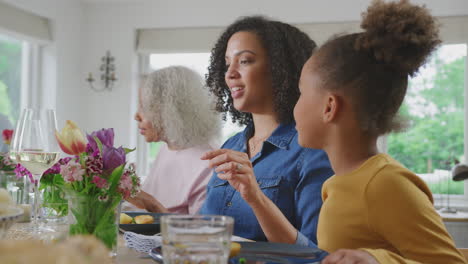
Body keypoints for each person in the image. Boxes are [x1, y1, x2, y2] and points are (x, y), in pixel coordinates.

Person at [294, 0, 467, 263]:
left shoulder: (385, 184)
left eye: (301, 93)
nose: (294, 106)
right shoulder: (336, 183)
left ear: (329, 107)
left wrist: (379, 260)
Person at [199, 16, 334, 247]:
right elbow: (204, 232)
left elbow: (315, 255)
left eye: (245, 61)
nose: (230, 73)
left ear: (280, 69)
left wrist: (257, 198)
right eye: (227, 62)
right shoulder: (230, 146)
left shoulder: (312, 151)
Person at [128, 66, 221, 214]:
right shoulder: (168, 148)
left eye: (144, 107)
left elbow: (201, 230)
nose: (136, 116)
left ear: (171, 110)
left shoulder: (209, 163)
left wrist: (151, 203)